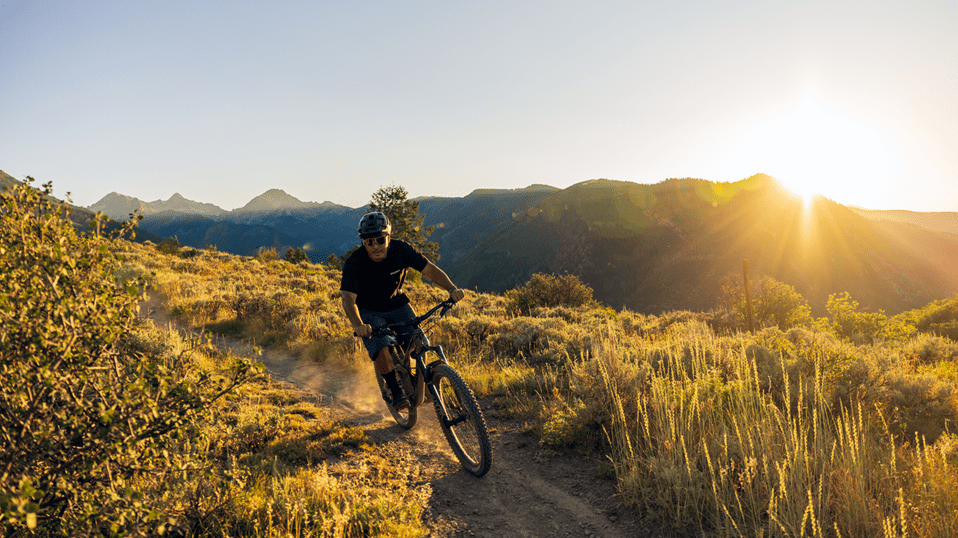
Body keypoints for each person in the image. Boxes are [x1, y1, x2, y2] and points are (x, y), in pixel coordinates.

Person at [339, 211, 465, 410]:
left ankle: (415, 381)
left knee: (420, 343)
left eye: (380, 240)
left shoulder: (402, 250)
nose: (375, 246)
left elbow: (430, 270)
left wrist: (451, 288)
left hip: (397, 304)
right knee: (381, 347)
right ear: (363, 242)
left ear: (388, 236)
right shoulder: (355, 262)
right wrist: (358, 324)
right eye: (369, 242)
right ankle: (395, 391)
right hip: (370, 311)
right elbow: (348, 298)